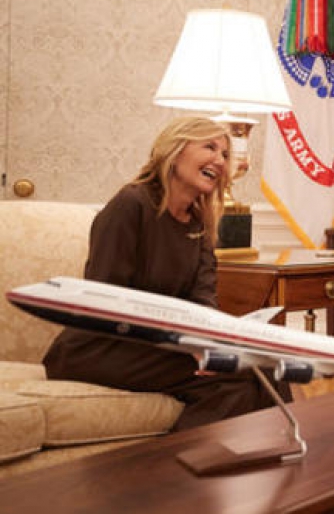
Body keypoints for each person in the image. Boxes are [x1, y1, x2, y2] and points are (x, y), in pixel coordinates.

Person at [42, 116, 287, 431]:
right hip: (97, 347)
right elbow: (104, 299)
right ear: (176, 150)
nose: (220, 160)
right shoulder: (131, 204)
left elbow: (203, 298)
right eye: (209, 147)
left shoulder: (200, 223)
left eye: (225, 154)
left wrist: (211, 341)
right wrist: (181, 342)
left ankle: (260, 456)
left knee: (259, 368)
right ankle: (177, 462)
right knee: (245, 372)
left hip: (157, 344)